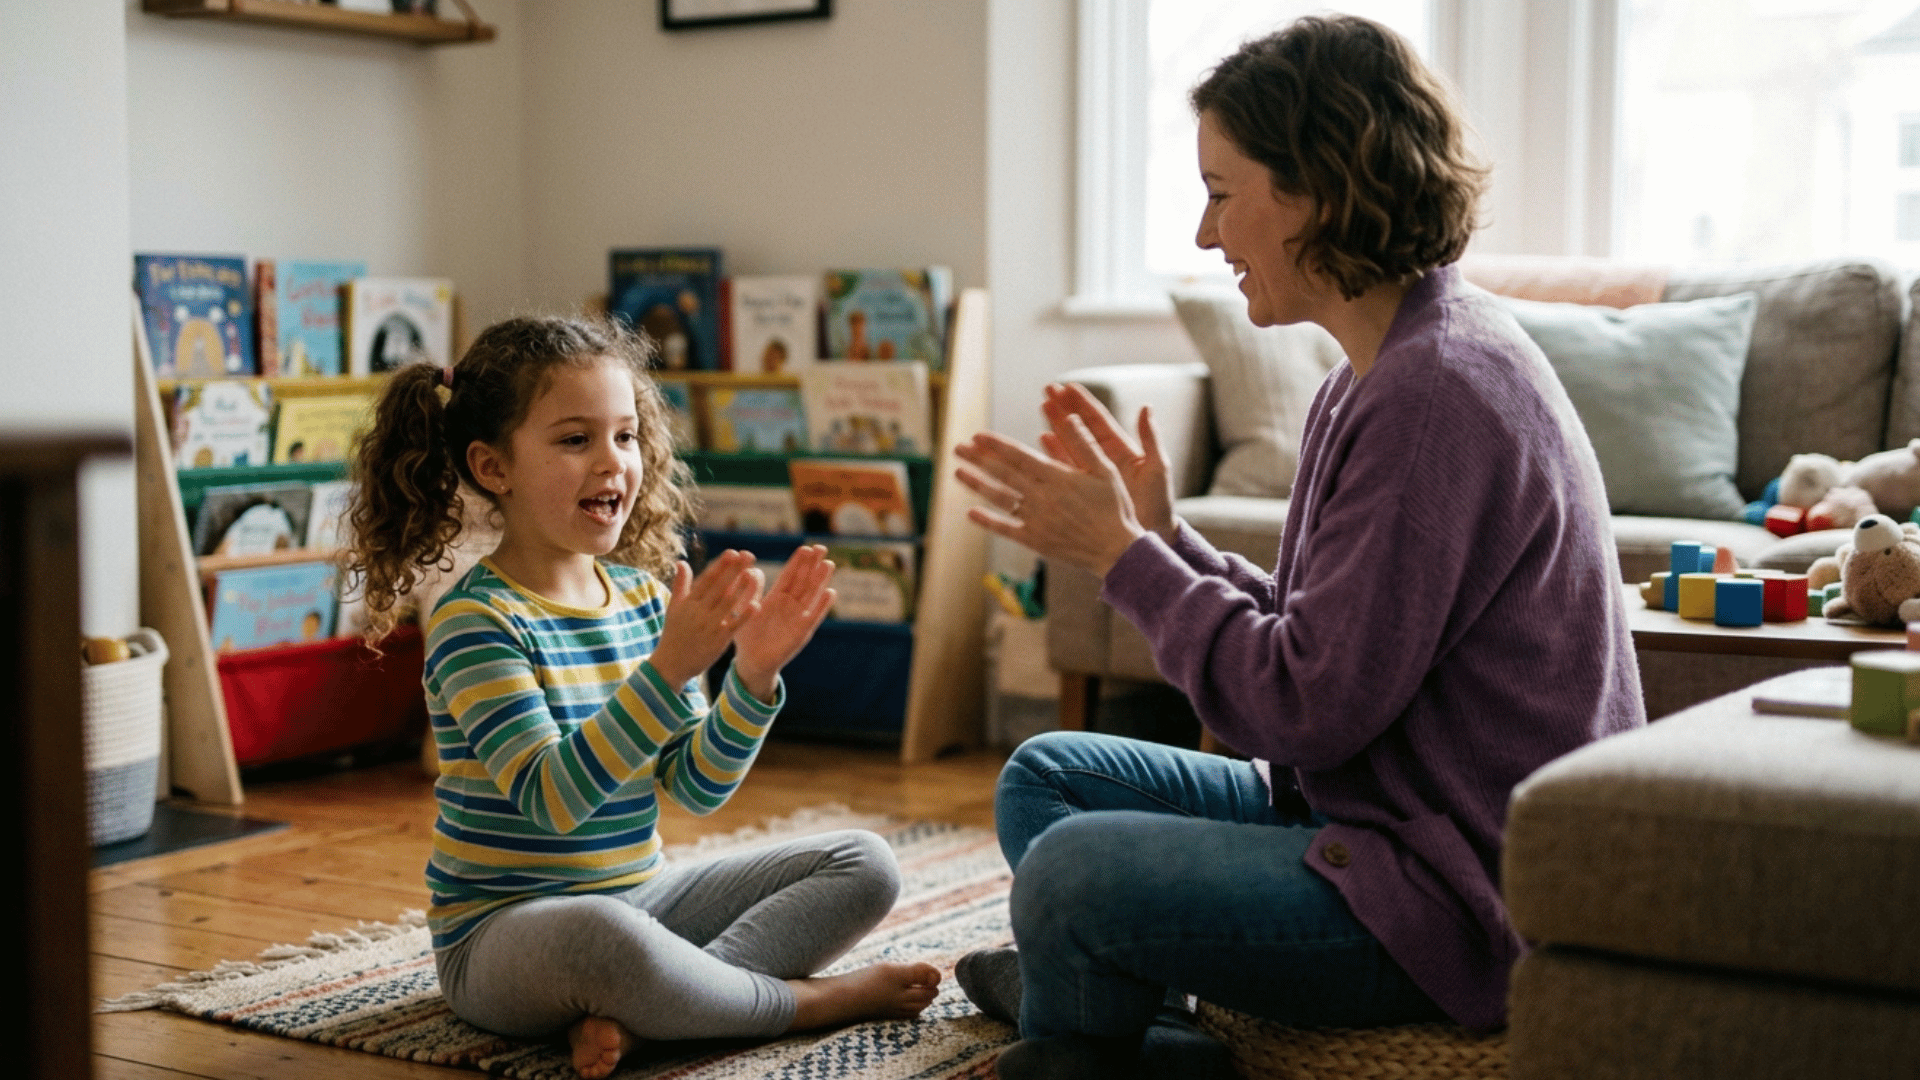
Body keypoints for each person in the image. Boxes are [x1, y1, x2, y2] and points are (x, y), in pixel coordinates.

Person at [950, 15, 1644, 1080]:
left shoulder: (1434, 395)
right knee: (1047, 779)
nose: (1204, 234)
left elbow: (1301, 706)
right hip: (1363, 819)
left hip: (1452, 893)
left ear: (1317, 188)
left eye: (1223, 194)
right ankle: (1111, 1003)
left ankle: (1090, 1024)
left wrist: (1126, 559)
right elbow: (1319, 629)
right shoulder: (1375, 371)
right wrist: (1165, 538)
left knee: (1072, 877)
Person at [340, 315, 941, 1080]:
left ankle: (657, 1018)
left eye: (625, 436)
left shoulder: (644, 599)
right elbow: (554, 800)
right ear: (494, 468)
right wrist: (664, 674)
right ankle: (809, 1002)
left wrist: (753, 678)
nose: (613, 462)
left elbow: (694, 787)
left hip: (643, 899)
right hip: (502, 936)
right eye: (574, 439)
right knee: (602, 937)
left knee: (867, 862)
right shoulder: (474, 621)